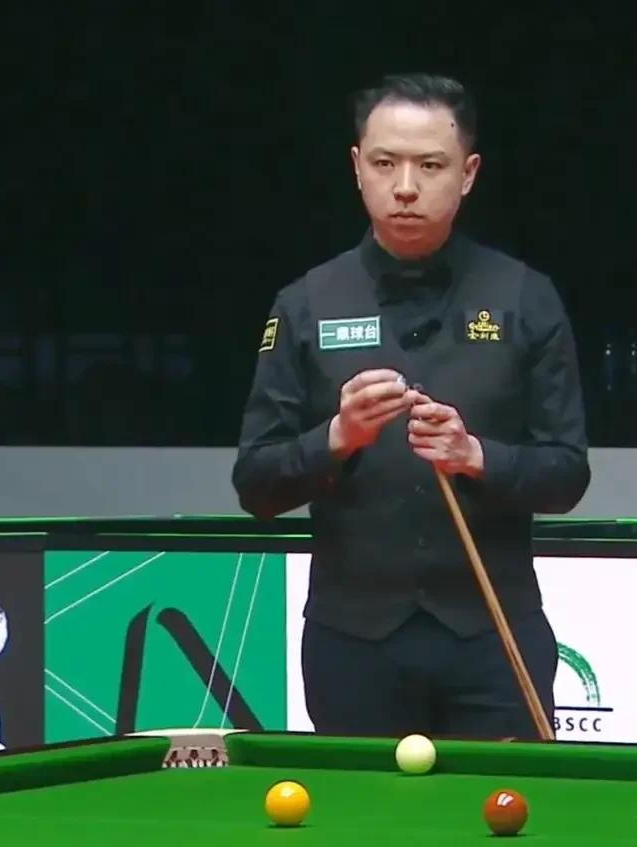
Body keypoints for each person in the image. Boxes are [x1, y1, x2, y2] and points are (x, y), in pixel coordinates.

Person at [232, 73, 590, 740]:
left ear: (468, 173)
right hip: (352, 644)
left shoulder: (526, 298)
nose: (404, 186)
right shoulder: (305, 303)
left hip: (493, 639)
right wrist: (337, 436)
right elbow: (255, 483)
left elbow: (567, 474)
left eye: (430, 166)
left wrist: (475, 455)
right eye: (384, 163)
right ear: (356, 168)